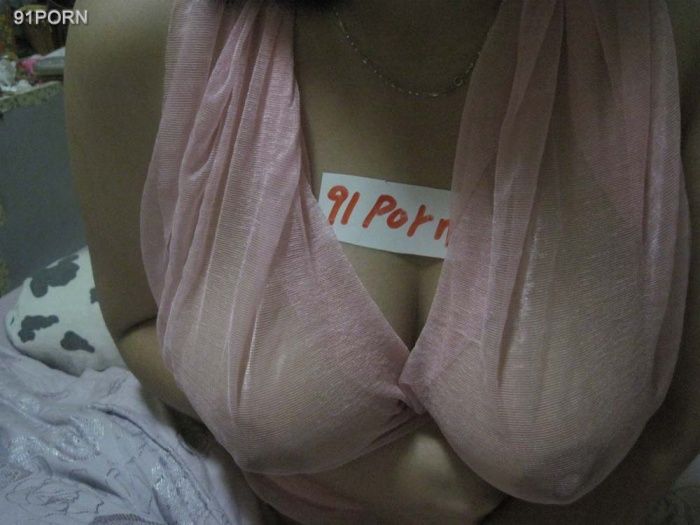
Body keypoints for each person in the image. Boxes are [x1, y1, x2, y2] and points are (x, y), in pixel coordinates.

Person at [65, 0, 700, 523]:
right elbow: (137, 321)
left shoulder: (674, 33)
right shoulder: (132, 28)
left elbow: (680, 418)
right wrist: (390, 481)